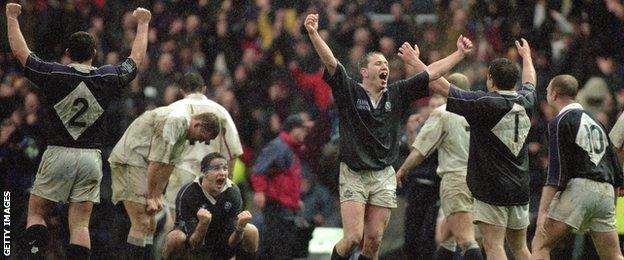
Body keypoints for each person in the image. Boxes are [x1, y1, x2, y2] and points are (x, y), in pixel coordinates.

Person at [304, 13, 473, 260]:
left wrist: (459, 53)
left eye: (386, 63)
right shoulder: (349, 91)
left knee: (373, 242)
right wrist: (313, 33)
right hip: (354, 172)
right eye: (378, 63)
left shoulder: (396, 93)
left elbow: (431, 73)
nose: (385, 66)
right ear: (363, 71)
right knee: (352, 238)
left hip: (384, 174)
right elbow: (331, 62)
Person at [6, 3, 150, 259]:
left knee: (37, 213)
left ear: (68, 53)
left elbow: (21, 52)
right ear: (94, 53)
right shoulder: (106, 77)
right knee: (80, 224)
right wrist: (143, 24)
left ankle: (34, 254)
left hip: (58, 152)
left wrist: (12, 16)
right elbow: (135, 61)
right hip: (90, 158)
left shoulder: (54, 73)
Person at [399, 39, 536, 259]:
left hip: (491, 187)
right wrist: (527, 57)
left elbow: (440, 85)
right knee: (520, 248)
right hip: (520, 185)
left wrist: (415, 62)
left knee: (493, 246)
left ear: (490, 79)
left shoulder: (483, 104)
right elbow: (530, 81)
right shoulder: (526, 100)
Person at [108, 104, 220, 258]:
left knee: (151, 224)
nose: (199, 141)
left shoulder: (185, 131)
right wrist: (151, 196)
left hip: (143, 164)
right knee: (141, 222)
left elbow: (168, 165)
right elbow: (156, 161)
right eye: (201, 137)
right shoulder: (177, 120)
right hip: (130, 159)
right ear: (197, 124)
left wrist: (158, 195)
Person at [531, 75, 624, 260]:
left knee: (540, 244)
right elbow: (613, 164)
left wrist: (543, 213)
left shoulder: (559, 122)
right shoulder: (596, 121)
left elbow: (555, 173)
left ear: (554, 94)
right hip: (606, 191)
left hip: (581, 188)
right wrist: (611, 204)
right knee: (613, 255)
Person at [397, 72, 483, 260]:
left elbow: (420, 150)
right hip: (478, 181)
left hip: (455, 180)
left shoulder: (444, 113)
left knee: (466, 240)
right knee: (445, 239)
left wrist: (403, 169)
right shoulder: (480, 111)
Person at [164, 72, 243, 220]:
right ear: (204, 89)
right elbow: (233, 151)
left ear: (182, 91)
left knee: (176, 225)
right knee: (211, 225)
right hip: (211, 176)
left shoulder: (172, 109)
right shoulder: (220, 111)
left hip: (180, 174)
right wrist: (227, 180)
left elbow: (162, 151)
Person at [162, 152, 259, 260]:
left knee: (251, 231)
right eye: (216, 168)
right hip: (193, 251)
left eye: (225, 168)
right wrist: (203, 224)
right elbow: (194, 244)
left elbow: (231, 243)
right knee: (174, 238)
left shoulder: (232, 192)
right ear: (204, 173)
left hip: (221, 245)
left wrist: (240, 228)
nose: (222, 173)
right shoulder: (188, 193)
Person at [251, 114, 313, 259]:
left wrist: (295, 200)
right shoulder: (279, 146)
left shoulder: (290, 148)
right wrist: (259, 191)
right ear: (293, 129)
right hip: (276, 207)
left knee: (276, 246)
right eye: (303, 130)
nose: (305, 134)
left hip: (286, 207)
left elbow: (288, 179)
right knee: (278, 246)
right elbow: (259, 170)